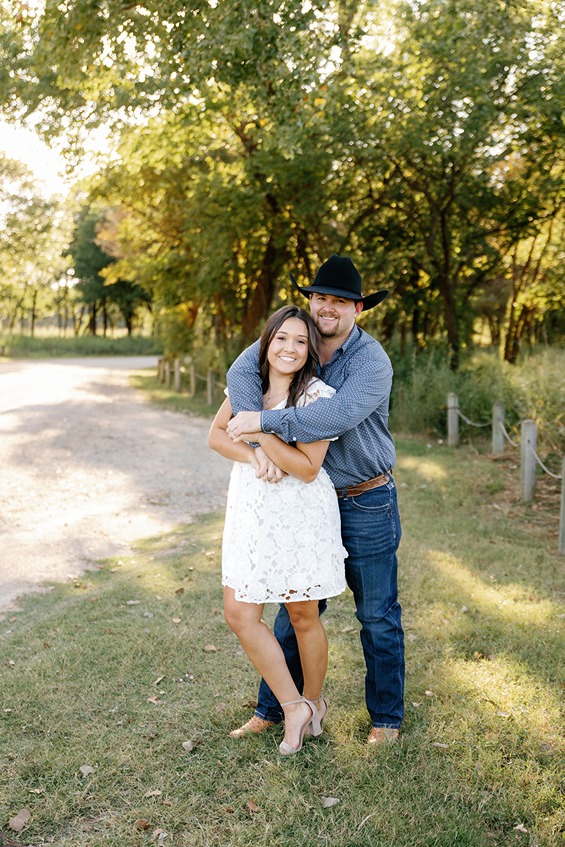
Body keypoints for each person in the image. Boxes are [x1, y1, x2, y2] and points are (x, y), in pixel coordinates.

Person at [226, 254, 404, 745]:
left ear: (358, 309)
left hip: (365, 497)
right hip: (306, 502)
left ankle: (386, 718)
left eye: (342, 301)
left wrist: (261, 425)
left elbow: (334, 419)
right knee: (294, 609)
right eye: (322, 297)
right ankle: (276, 708)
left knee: (377, 615)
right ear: (311, 300)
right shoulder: (294, 337)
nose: (329, 307)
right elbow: (240, 372)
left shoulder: (371, 361)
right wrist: (252, 423)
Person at [208, 305, 347, 755]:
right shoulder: (249, 387)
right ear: (266, 344)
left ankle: (313, 701)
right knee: (240, 614)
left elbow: (307, 468)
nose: (290, 348)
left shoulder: (318, 398)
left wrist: (261, 434)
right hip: (252, 509)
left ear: (310, 352)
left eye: (301, 342)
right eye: (282, 338)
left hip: (300, 513)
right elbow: (216, 435)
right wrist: (253, 456)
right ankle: (293, 706)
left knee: (303, 614)